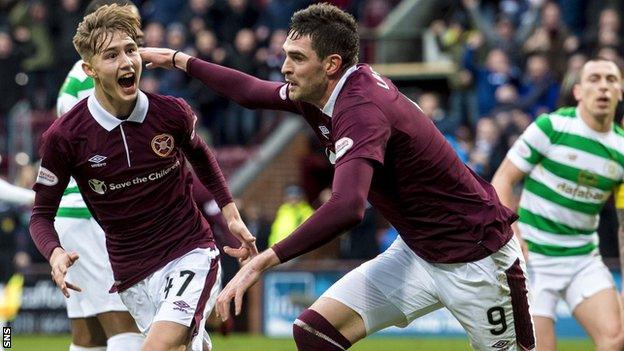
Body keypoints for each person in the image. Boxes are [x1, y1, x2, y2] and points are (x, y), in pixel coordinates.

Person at [140, 4, 535, 350]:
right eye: (285, 56)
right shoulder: (320, 93)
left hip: (476, 258)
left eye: (296, 57)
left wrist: (263, 261)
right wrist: (178, 59)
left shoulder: (360, 109)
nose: (284, 68)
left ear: (330, 65)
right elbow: (250, 91)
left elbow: (348, 207)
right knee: (315, 333)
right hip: (418, 251)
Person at [30, 5, 256, 351]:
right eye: (111, 55)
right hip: (131, 274)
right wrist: (55, 253)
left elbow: (200, 154)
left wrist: (229, 211)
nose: (126, 62)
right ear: (89, 69)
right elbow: (41, 215)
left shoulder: (171, 112)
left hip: (189, 253)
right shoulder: (65, 136)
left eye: (131, 50)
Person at [492, 59, 624, 351]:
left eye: (611, 79)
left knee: (616, 338)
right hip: (534, 257)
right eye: (594, 79)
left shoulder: (621, 150)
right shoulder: (551, 127)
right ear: (578, 91)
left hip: (582, 257)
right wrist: (515, 236)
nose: (603, 85)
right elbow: (502, 180)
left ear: (620, 91)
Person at [56, 1, 146, 351]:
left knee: (88, 331)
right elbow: (104, 142)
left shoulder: (81, 72)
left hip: (73, 211)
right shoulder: (91, 80)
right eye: (128, 24)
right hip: (91, 209)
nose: (135, 33)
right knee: (123, 319)